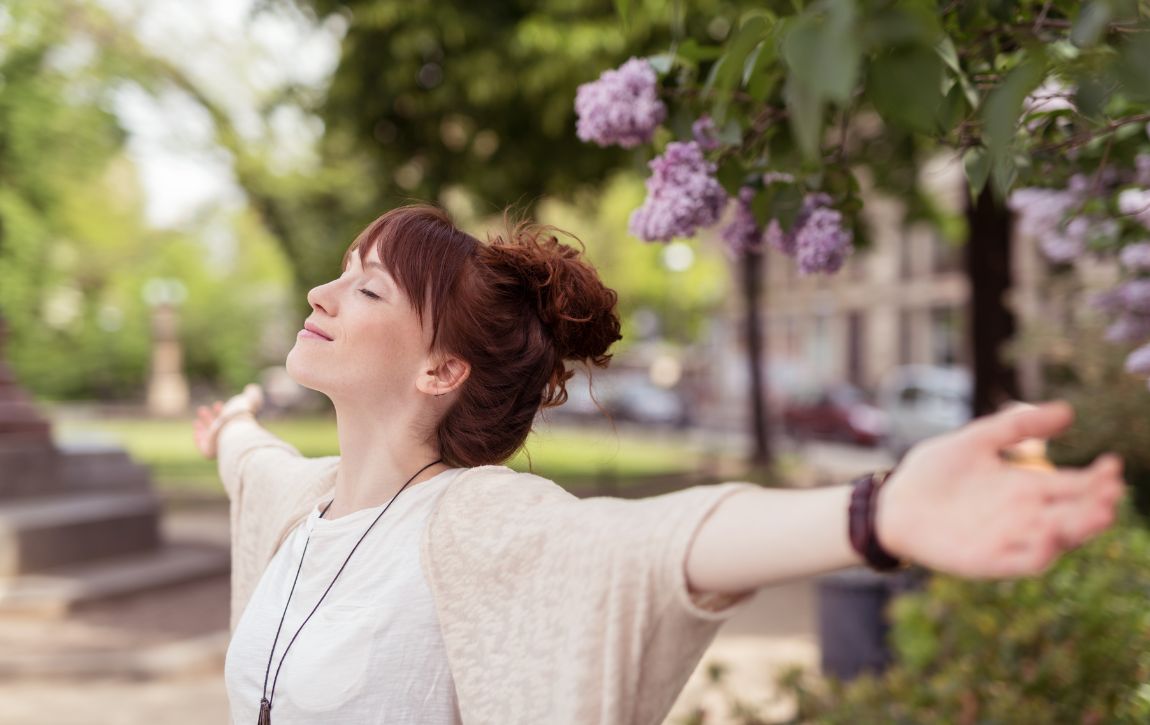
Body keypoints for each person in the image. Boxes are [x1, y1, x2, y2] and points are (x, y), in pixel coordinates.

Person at [193, 205, 1125, 725]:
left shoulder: (468, 522)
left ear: (441, 369)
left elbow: (653, 543)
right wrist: (230, 426)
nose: (321, 292)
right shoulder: (297, 501)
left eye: (366, 287)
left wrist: (875, 513)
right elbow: (250, 458)